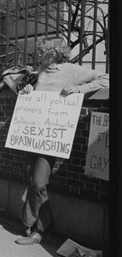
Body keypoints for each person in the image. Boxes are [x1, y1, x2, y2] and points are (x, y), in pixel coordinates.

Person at [15, 37, 109, 245]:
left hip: (52, 136)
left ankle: (35, 226)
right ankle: (39, 228)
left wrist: (78, 90)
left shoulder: (72, 70)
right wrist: (27, 90)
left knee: (39, 182)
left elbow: (106, 79)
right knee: (34, 182)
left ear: (55, 53)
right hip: (33, 133)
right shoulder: (40, 70)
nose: (39, 55)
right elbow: (31, 95)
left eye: (43, 51)